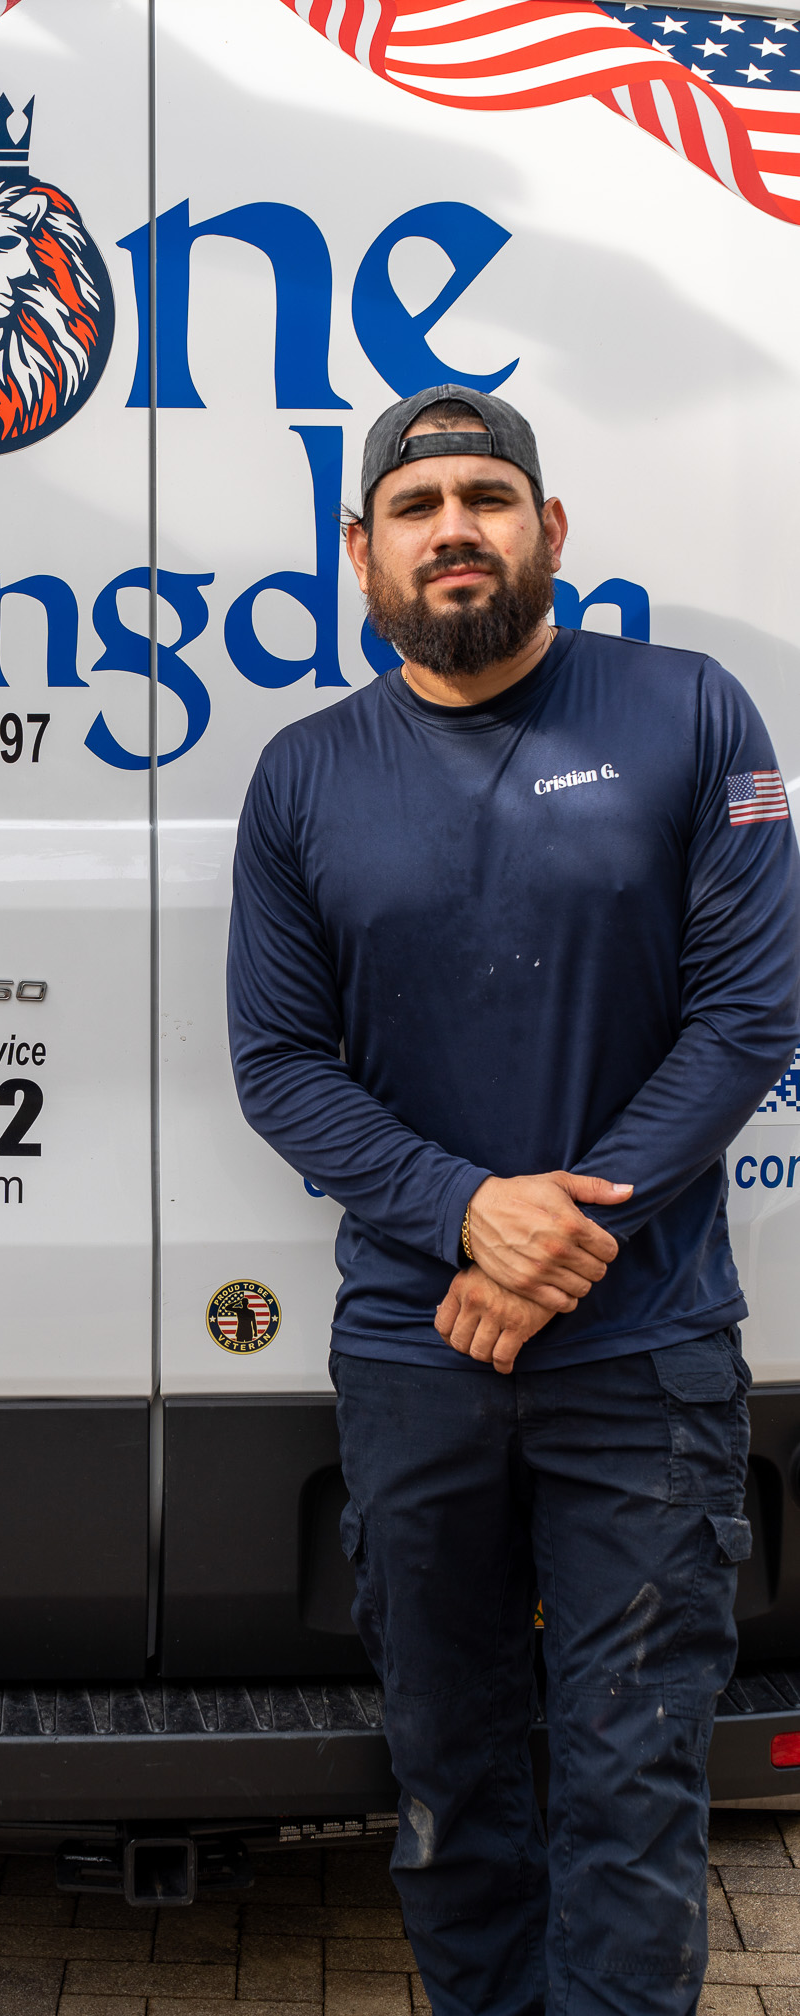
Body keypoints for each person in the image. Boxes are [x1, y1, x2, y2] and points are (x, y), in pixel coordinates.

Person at [226, 383, 800, 2016]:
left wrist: (552, 1242)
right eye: (416, 508)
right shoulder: (304, 777)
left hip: (643, 1354)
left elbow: (747, 1016)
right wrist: (472, 1216)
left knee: (628, 1797)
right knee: (453, 1787)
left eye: (487, 497)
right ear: (360, 553)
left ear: (548, 532)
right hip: (421, 1358)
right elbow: (277, 1063)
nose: (453, 528)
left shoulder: (689, 714)